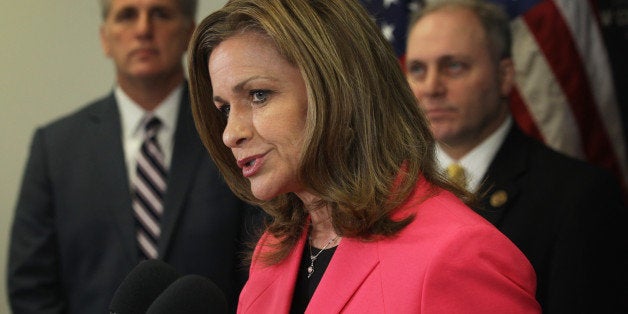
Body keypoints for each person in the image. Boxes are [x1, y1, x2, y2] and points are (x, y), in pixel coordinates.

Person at [187, 0, 541, 312]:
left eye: (259, 95)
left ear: (337, 90)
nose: (231, 133)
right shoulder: (274, 251)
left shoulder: (457, 255)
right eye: (224, 109)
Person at [7, 0, 260, 313]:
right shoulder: (55, 147)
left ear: (189, 34)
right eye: (127, 15)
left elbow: (260, 267)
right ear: (105, 39)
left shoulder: (231, 133)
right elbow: (31, 285)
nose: (143, 30)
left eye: (160, 14)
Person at [405, 0, 628, 312]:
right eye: (417, 69)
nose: (430, 87)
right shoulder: (389, 188)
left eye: (454, 66)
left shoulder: (580, 197)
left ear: (505, 75)